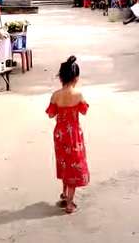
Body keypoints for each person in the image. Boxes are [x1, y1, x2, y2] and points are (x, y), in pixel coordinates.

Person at [46, 56, 90, 214]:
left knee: (64, 163)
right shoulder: (78, 95)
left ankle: (64, 194)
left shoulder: (55, 95)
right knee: (74, 165)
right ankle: (70, 203)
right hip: (74, 135)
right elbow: (84, 111)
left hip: (60, 134)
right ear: (76, 78)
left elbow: (51, 114)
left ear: (61, 77)